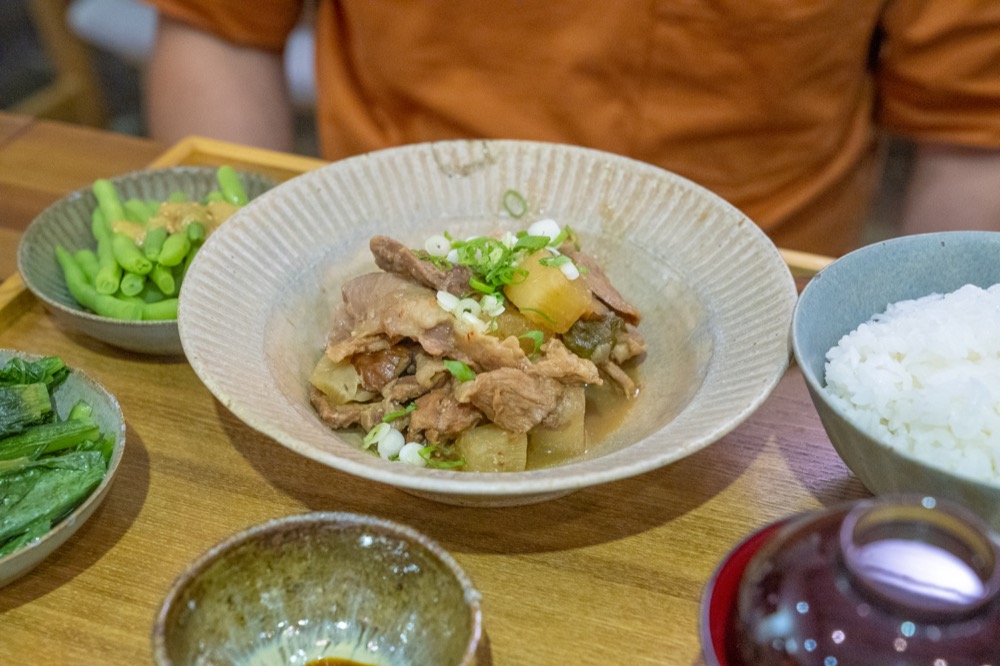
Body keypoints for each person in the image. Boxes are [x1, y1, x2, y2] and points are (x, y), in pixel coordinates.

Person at [143, 1, 1000, 256]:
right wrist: (256, 275)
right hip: (377, 247)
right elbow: (219, 28)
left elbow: (975, 133)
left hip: (765, 286)